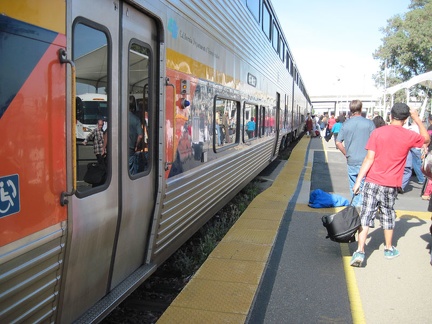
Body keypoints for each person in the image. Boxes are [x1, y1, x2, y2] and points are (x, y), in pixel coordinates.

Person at [350, 103, 430, 267]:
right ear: (405, 118)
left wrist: (358, 180)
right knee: (387, 215)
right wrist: (417, 119)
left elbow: (369, 159)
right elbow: (427, 139)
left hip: (372, 181)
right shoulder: (408, 135)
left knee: (366, 215)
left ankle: (360, 251)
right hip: (390, 184)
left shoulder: (378, 132)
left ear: (390, 116)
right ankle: (388, 248)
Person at [336, 100, 375, 206]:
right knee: (364, 186)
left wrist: (346, 153)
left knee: (354, 186)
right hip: (366, 160)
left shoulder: (345, 124)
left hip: (351, 160)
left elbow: (338, 142)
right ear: (361, 109)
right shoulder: (369, 123)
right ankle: (362, 209)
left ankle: (355, 208)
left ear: (350, 110)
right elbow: (375, 141)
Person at [129, 104, 144, 175]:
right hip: (130, 148)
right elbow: (140, 136)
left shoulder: (118, 118)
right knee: (130, 168)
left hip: (117, 147)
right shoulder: (136, 119)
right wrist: (136, 145)